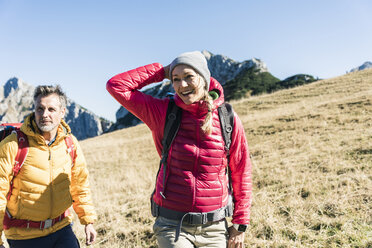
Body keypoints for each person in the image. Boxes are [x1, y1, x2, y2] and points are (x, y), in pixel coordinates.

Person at [107, 51, 252, 248]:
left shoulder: (228, 118)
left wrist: (240, 223)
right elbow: (117, 85)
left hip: (215, 228)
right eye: (176, 79)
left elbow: (241, 171)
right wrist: (162, 71)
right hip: (172, 226)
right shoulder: (163, 112)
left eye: (189, 77)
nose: (182, 85)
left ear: (204, 78)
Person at [0, 85, 97, 248]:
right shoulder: (12, 144)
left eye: (51, 109)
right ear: (34, 110)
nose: (45, 115)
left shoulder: (70, 143)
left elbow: (80, 185)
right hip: (24, 236)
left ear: (62, 112)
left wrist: (88, 221)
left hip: (62, 229)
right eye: (40, 109)